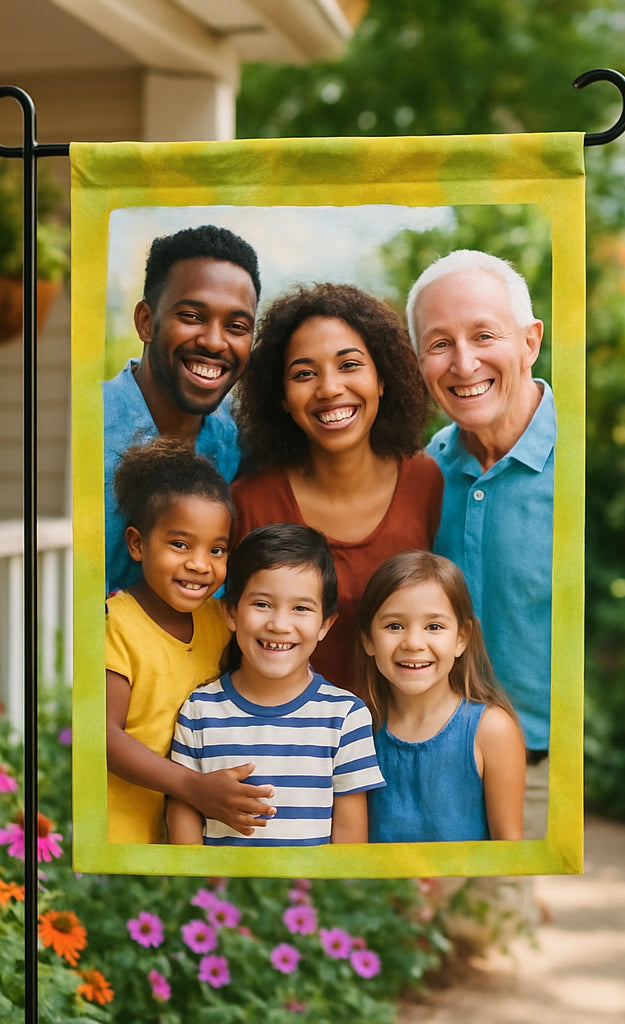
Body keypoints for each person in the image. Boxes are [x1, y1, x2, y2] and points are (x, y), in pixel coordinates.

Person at [406, 249, 554, 843]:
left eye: (484, 335)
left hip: (547, 772)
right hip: (431, 772)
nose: (463, 363)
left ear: (529, 341)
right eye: (439, 344)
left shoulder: (583, 463)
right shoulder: (421, 474)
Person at [231, 283, 443, 698]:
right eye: (304, 374)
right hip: (289, 747)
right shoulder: (249, 503)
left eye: (349, 365)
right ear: (283, 399)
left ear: (382, 378)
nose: (329, 388)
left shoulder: (426, 480)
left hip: (405, 740)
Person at [167, 523, 385, 846]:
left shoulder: (346, 718)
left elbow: (349, 846)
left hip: (311, 897)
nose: (279, 625)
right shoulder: (199, 711)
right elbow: (182, 816)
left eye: (301, 608)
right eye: (262, 604)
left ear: (325, 623)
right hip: (221, 895)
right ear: (230, 613)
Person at [105, 438, 275, 844]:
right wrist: (192, 786)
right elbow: (102, 736)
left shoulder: (219, 622)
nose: (200, 564)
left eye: (217, 549)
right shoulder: (117, 625)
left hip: (189, 839)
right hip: (120, 838)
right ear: (137, 544)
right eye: (180, 544)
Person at [102, 224, 261, 594]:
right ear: (146, 321)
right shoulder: (86, 428)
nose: (214, 341)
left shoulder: (240, 443)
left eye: (237, 326)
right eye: (192, 317)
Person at [356, 550, 524, 843]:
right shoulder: (356, 730)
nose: (413, 643)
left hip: (468, 890)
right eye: (394, 626)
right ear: (368, 639)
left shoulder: (492, 730)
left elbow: (508, 854)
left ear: (461, 637)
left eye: (434, 626)